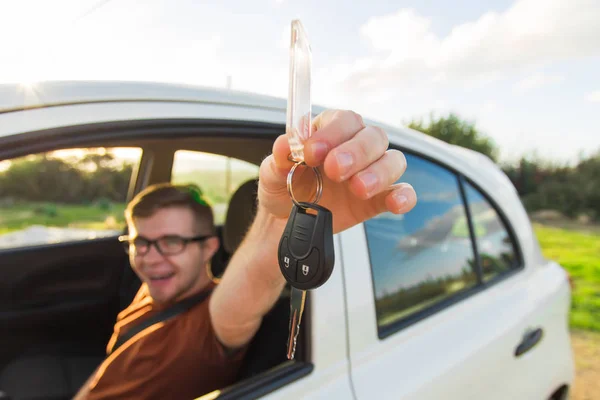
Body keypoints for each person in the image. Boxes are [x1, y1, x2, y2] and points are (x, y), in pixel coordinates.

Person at [74, 109, 418, 399]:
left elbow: (250, 283)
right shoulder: (153, 287)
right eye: (140, 242)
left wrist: (278, 226)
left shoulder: (207, 327)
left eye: (171, 242)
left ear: (209, 246)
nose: (150, 257)